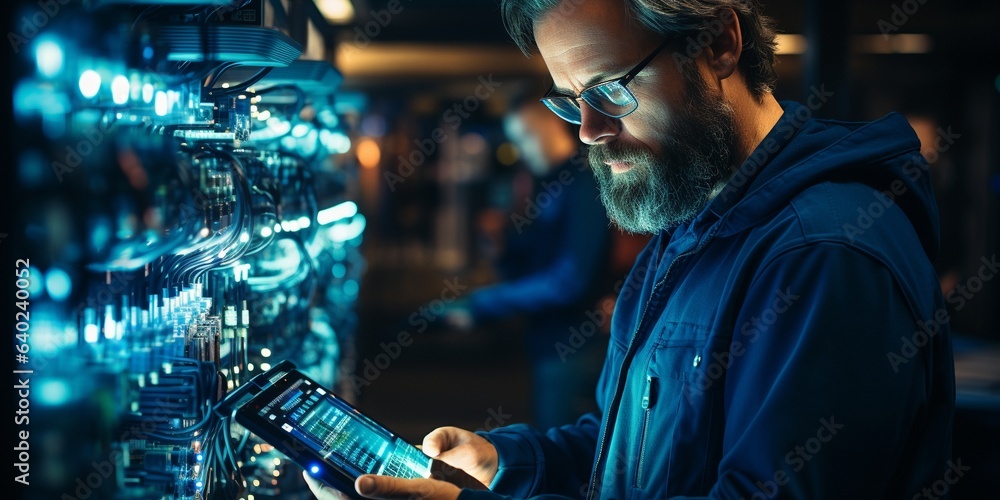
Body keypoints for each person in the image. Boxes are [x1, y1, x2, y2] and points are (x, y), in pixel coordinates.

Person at [305, 0, 955, 498]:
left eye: (611, 90)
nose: (589, 132)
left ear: (719, 44)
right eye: (571, 103)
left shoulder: (822, 253)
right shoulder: (694, 224)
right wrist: (513, 461)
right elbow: (648, 452)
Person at [443, 90, 613, 431]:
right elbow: (535, 262)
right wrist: (503, 246)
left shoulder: (585, 181)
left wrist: (483, 304)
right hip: (547, 340)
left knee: (567, 448)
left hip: (574, 345)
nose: (521, 149)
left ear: (552, 124)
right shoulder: (545, 184)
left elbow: (570, 280)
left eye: (525, 136)